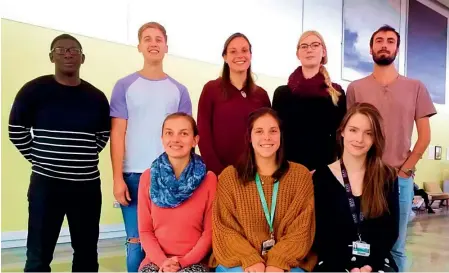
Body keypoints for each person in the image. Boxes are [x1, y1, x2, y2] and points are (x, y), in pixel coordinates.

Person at [8, 34, 110, 272]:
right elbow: (16, 131)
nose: (68, 54)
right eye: (61, 49)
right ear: (51, 56)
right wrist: (43, 159)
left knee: (86, 254)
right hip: (46, 185)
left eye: (74, 50)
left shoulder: (96, 97)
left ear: (83, 58)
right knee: (38, 256)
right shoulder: (33, 91)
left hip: (86, 187)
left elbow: (102, 136)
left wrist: (75, 158)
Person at [346, 25, 436, 272]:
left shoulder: (415, 87)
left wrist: (405, 171)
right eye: (379, 40)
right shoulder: (355, 88)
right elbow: (349, 132)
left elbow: (425, 136)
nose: (384, 44)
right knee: (362, 240)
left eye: (390, 41)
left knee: (396, 245)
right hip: (363, 176)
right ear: (371, 47)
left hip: (399, 178)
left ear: (397, 48)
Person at [109, 22, 192, 272]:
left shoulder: (179, 90)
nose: (153, 43)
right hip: (133, 176)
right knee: (136, 242)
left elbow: (185, 137)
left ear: (166, 46)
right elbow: (118, 133)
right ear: (139, 46)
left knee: (166, 244)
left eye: (158, 39)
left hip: (169, 176)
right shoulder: (124, 86)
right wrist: (116, 178)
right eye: (147, 39)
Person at [210, 107, 316, 272]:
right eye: (259, 131)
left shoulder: (300, 175)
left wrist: (278, 261)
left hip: (289, 261)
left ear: (281, 135)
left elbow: (301, 229)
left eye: (273, 131)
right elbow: (224, 228)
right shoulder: (230, 177)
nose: (266, 137)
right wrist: (250, 260)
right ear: (249, 137)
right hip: (238, 261)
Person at [312, 103, 399, 272]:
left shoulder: (387, 176)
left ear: (375, 139)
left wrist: (369, 266)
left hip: (377, 262)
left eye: (368, 133)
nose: (359, 139)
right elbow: (320, 235)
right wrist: (346, 267)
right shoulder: (322, 177)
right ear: (342, 131)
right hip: (333, 262)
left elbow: (389, 232)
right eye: (353, 130)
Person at [137, 113, 217, 273]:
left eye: (184, 133)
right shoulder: (148, 177)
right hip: (156, 261)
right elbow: (145, 231)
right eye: (169, 133)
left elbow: (209, 233)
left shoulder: (209, 179)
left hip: (195, 262)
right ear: (162, 139)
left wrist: (181, 263)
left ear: (195, 140)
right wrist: (163, 263)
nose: (175, 139)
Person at [197, 32, 271, 176]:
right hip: (220, 175)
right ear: (225, 57)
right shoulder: (211, 89)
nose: (240, 55)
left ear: (250, 55)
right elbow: (203, 133)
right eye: (233, 51)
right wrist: (218, 172)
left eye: (244, 50)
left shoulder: (261, 95)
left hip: (255, 174)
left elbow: (268, 136)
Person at [273, 30, 346, 172]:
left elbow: (341, 140)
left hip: (324, 173)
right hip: (288, 172)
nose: (309, 50)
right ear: (298, 54)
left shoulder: (337, 95)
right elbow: (275, 135)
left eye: (315, 45)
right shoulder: (282, 94)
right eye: (304, 46)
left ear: (323, 52)